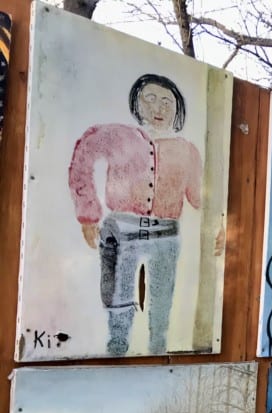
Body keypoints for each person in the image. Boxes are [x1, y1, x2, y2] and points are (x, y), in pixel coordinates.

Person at [69, 73, 219, 356]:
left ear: (177, 109)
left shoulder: (187, 151)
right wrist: (88, 213)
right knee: (118, 297)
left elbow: (200, 197)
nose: (159, 108)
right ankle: (116, 350)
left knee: (161, 303)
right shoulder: (117, 135)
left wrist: (222, 225)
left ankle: (158, 353)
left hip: (166, 235)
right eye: (149, 99)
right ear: (137, 102)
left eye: (167, 102)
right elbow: (83, 156)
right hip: (121, 231)